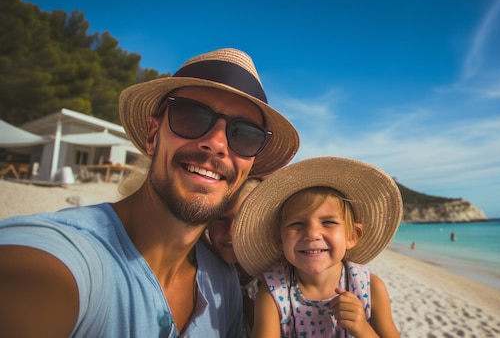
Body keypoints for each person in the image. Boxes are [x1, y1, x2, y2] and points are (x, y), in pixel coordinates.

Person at [0, 48, 299, 337]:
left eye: (245, 135)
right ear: (153, 135)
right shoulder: (62, 255)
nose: (217, 144)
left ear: (250, 164)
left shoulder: (224, 283)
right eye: (192, 117)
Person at [232, 156, 403, 338]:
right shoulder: (273, 290)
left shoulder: (370, 288)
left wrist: (362, 329)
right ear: (280, 240)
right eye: (297, 224)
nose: (312, 234)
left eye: (328, 222)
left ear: (352, 236)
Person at [202, 177, 262, 337]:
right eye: (221, 219)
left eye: (243, 221)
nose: (230, 232)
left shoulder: (279, 278)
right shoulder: (200, 271)